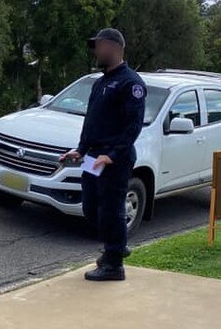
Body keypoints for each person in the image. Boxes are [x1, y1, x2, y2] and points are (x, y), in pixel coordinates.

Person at [60, 28, 146, 282]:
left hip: (113, 160)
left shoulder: (131, 83)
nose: (96, 51)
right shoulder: (100, 82)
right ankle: (116, 244)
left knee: (110, 208)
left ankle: (114, 262)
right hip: (93, 157)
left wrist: (112, 155)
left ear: (115, 47)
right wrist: (80, 149)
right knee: (90, 206)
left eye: (99, 45)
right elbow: (92, 123)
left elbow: (133, 125)